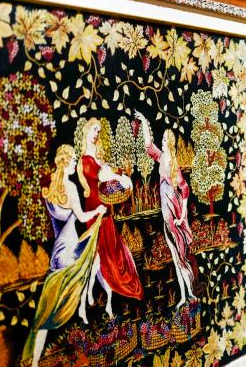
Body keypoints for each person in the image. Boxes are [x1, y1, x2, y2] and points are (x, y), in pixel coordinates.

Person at [23, 145, 106, 367]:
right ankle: (83, 308)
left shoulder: (51, 188)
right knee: (93, 263)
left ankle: (34, 366)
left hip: (56, 254)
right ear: (66, 162)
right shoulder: (70, 187)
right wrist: (98, 211)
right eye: (73, 160)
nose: (75, 164)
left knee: (46, 313)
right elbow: (81, 216)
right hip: (69, 249)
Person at [77, 118, 143, 314]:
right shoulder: (84, 160)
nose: (96, 134)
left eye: (98, 131)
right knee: (98, 256)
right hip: (94, 213)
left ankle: (110, 297)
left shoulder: (99, 156)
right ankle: (92, 293)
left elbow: (110, 173)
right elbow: (101, 176)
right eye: (94, 130)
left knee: (112, 253)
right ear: (86, 131)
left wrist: (121, 175)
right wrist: (114, 175)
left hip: (106, 211)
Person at [135, 111, 196, 306]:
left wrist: (182, 216)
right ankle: (184, 295)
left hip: (174, 214)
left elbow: (185, 189)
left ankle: (189, 293)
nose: (161, 141)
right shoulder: (161, 158)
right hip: (166, 214)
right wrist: (144, 121)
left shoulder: (173, 165)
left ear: (169, 142)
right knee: (175, 257)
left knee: (180, 256)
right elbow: (148, 146)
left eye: (163, 139)